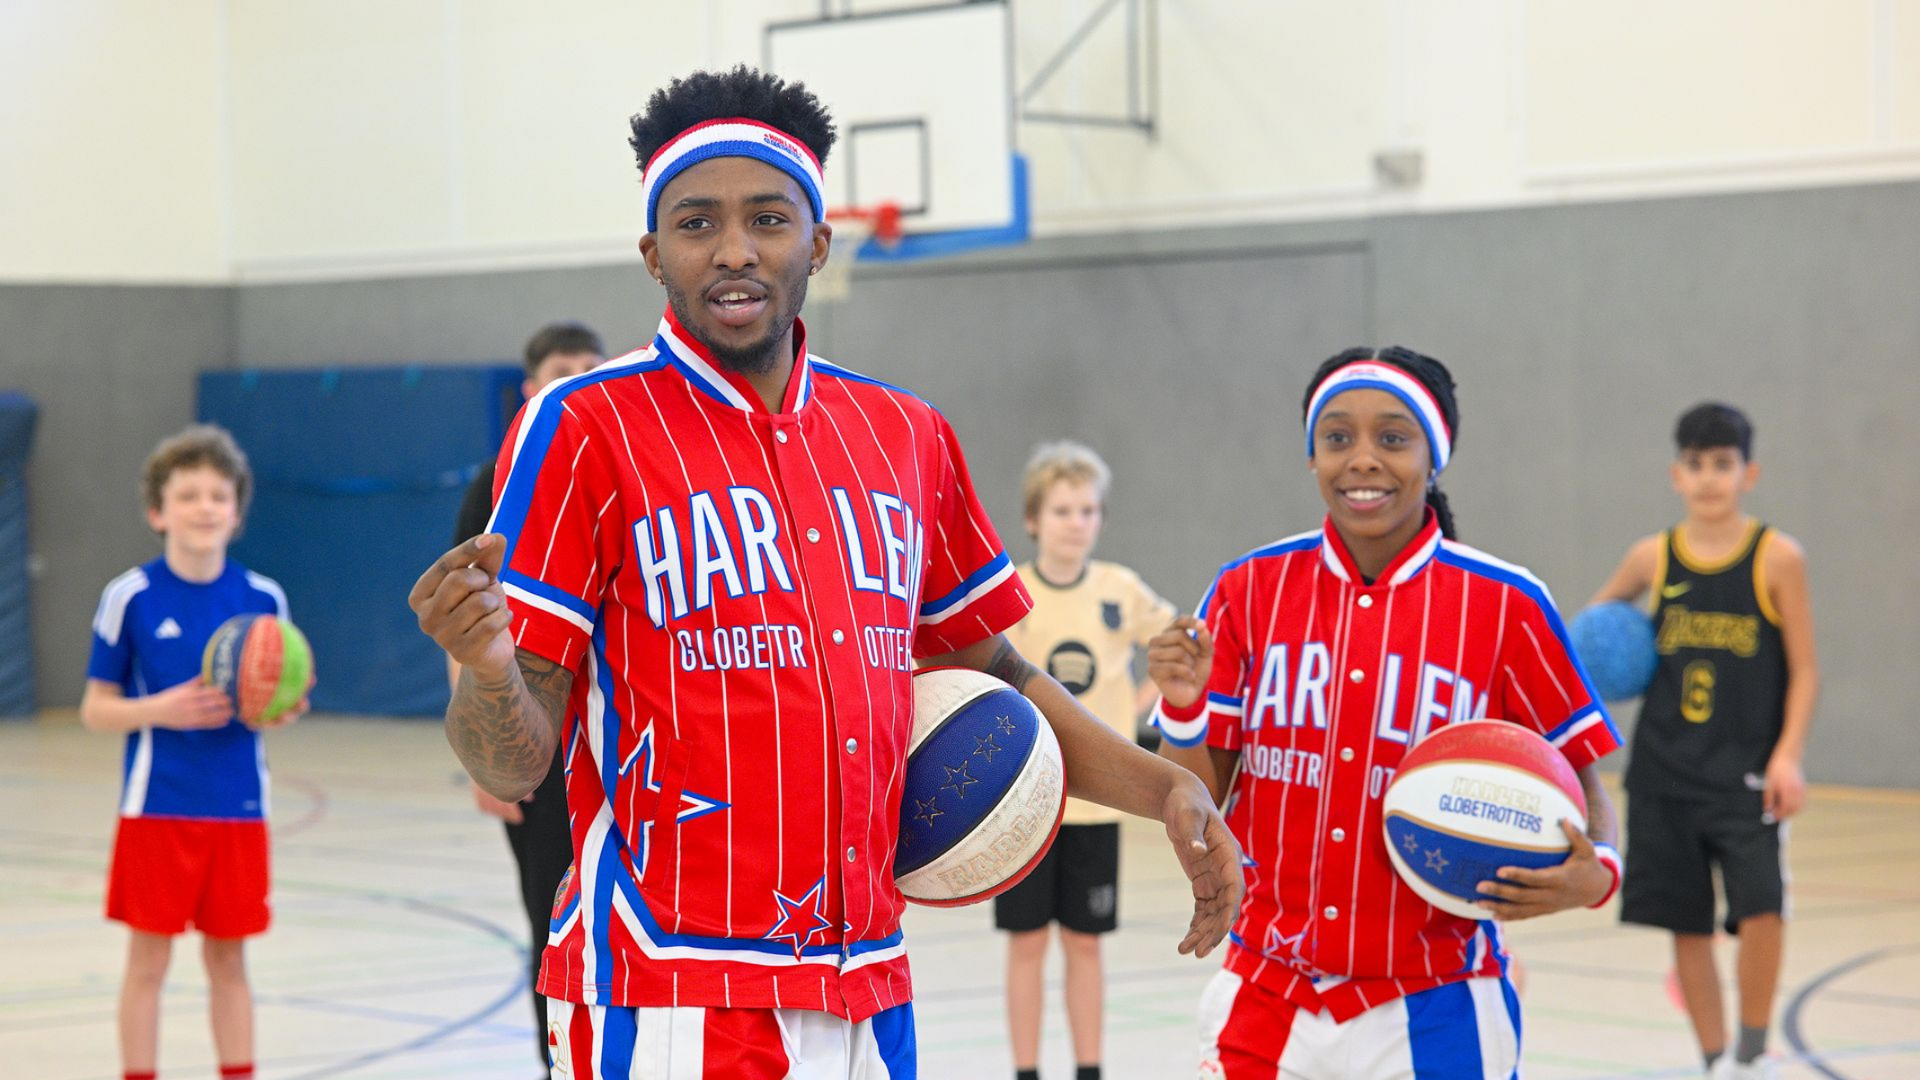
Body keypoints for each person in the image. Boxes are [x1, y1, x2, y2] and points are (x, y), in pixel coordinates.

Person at [406, 65, 1241, 1080]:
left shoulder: (905, 434)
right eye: (696, 224)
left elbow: (998, 675)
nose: (734, 249)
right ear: (652, 254)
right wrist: (489, 668)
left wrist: (1166, 789)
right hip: (668, 991)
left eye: (767, 218)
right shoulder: (582, 427)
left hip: (867, 986)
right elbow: (511, 766)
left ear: (818, 242)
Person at [1149, 347, 1624, 1079]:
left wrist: (1601, 871)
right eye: (1338, 437)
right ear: (1313, 456)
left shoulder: (1508, 604)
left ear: (1435, 458)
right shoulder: (1249, 589)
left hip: (1440, 1000)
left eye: (1393, 438)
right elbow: (1197, 802)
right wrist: (1183, 712)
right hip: (1266, 992)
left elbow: (1582, 778)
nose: (1363, 458)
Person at [1589, 402, 1818, 1080]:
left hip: (1746, 774)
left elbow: (1806, 670)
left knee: (1762, 910)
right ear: (1676, 475)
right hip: (1663, 772)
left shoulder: (1777, 557)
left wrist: (1788, 755)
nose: (1709, 477)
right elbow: (1592, 634)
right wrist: (1609, 657)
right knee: (1684, 922)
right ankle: (1716, 1061)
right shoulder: (1652, 557)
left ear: (1749, 474)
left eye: (1722, 464)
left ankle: (1752, 1053)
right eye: (1695, 464)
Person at [81, 424, 308, 1080]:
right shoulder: (130, 596)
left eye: (218, 495)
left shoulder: (264, 600)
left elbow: (279, 700)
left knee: (230, 960)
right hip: (157, 806)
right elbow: (95, 709)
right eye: (188, 495)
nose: (204, 507)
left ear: (236, 513)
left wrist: (283, 708)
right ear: (159, 512)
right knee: (148, 962)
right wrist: (160, 709)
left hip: (239, 807)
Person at [448, 320, 605, 1078]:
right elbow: (466, 624)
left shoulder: (620, 460)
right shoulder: (498, 480)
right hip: (534, 740)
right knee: (551, 922)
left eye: (588, 367)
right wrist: (483, 756)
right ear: (528, 389)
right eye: (560, 369)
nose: (574, 379)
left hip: (613, 745)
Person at [997, 441, 1175, 1080]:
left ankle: (1089, 1069)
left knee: (1085, 943)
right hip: (1026, 805)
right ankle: (1025, 1070)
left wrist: (1136, 704)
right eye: (1063, 510)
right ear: (1033, 519)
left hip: (1096, 802)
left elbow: (1177, 642)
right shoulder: (1013, 593)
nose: (1077, 522)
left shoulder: (1118, 589)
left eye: (1088, 510)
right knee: (1026, 943)